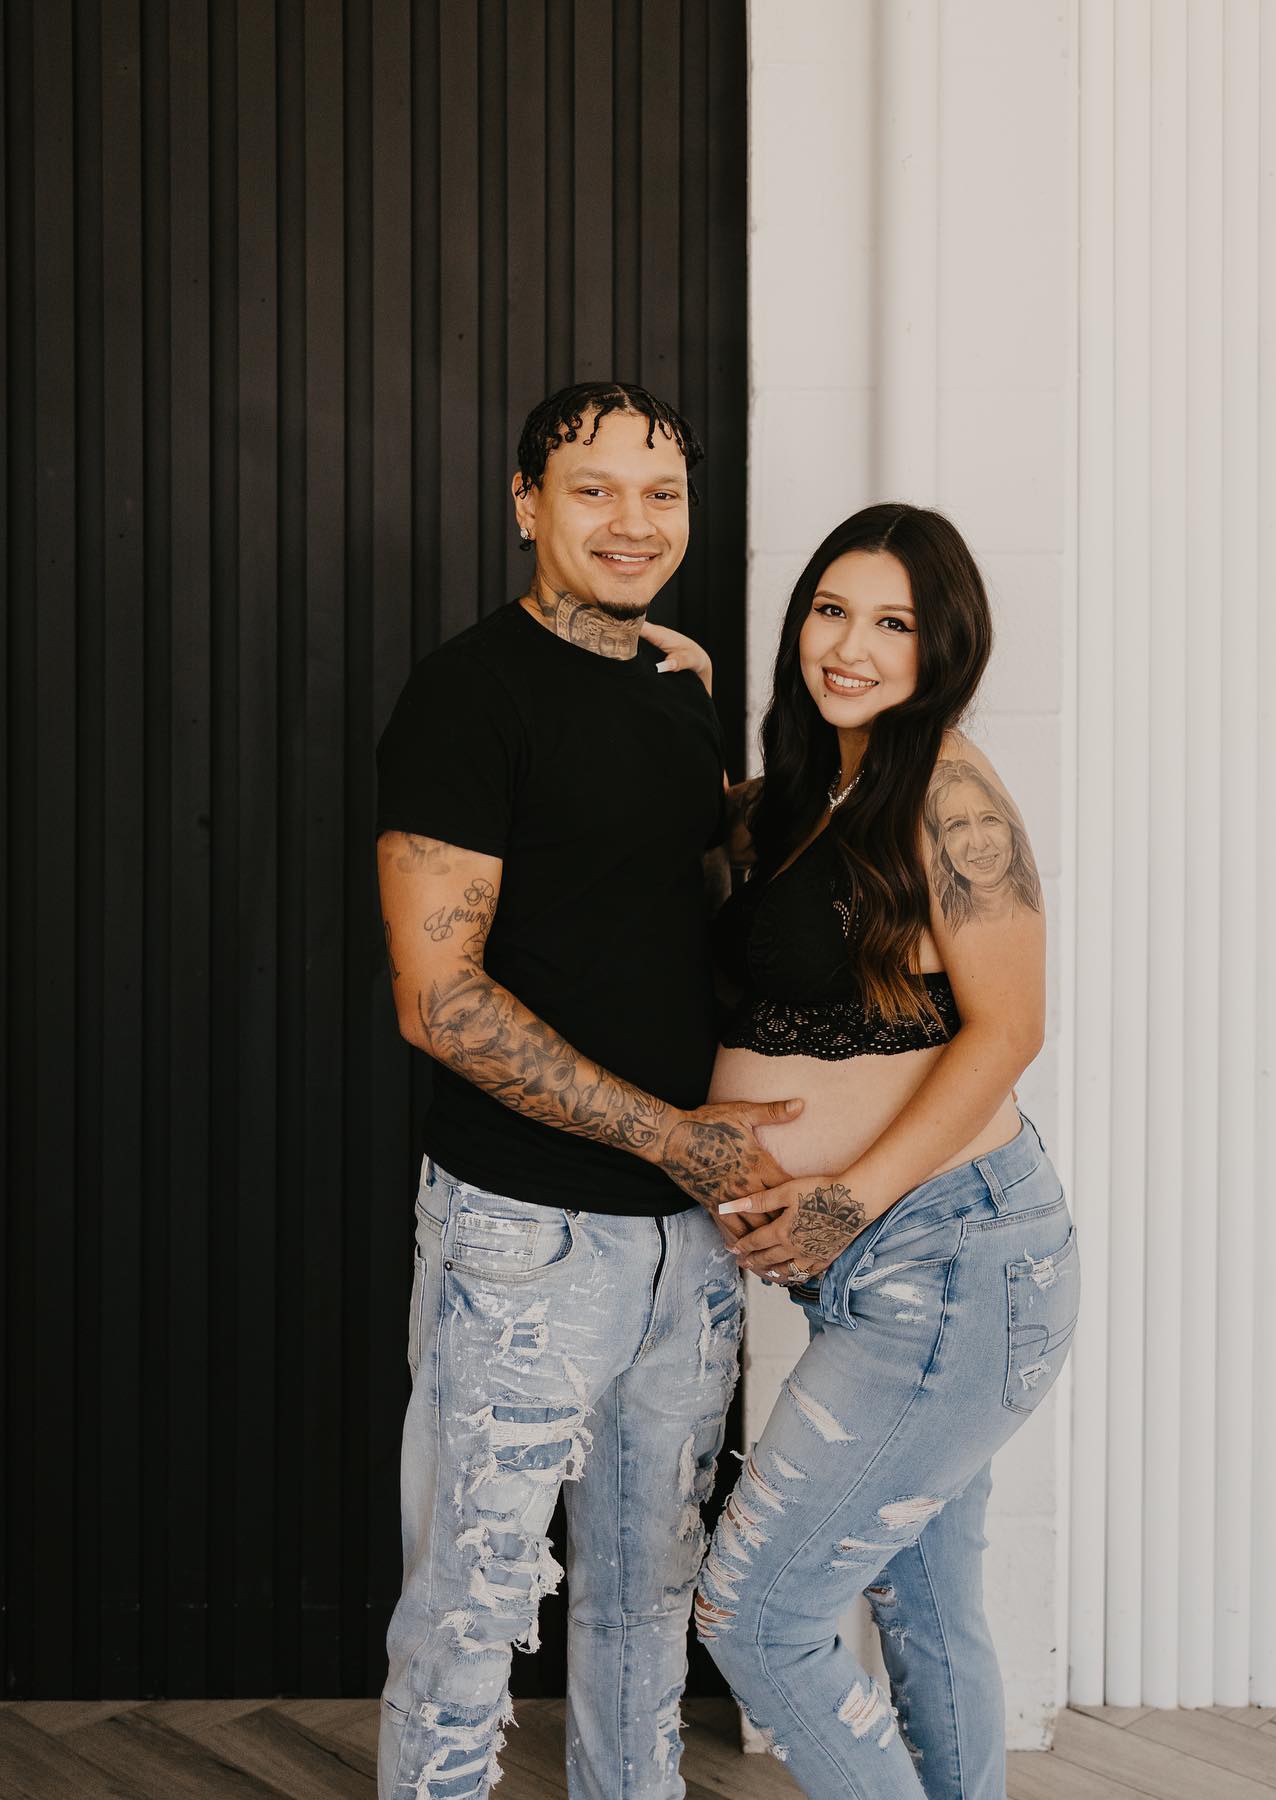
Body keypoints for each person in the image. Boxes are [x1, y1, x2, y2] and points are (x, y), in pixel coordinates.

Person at [373, 381, 793, 1800]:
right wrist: (678, 1138)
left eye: (660, 493)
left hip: (693, 1240)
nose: (632, 521)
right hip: (526, 1232)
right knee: (471, 1612)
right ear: (525, 505)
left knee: (645, 1612)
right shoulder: (467, 693)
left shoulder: (673, 691)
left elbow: (672, 910)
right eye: (593, 489)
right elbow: (442, 1000)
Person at [692, 502, 1079, 1799]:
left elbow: (1009, 1027)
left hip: (951, 1264)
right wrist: (675, 711)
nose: (851, 645)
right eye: (830, 610)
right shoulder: (810, 793)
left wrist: (846, 1198)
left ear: (944, 645)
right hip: (891, 1276)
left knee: (754, 1618)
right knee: (924, 1602)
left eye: (893, 623)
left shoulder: (951, 794)